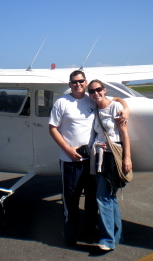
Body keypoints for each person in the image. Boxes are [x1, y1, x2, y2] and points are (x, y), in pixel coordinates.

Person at [49, 70, 129, 246]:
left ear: (85, 83)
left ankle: (89, 232)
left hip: (92, 161)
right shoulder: (61, 102)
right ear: (69, 84)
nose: (78, 84)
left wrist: (126, 109)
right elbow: (53, 128)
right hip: (70, 160)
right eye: (74, 82)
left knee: (92, 200)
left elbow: (114, 101)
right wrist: (67, 150)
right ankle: (70, 234)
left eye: (81, 81)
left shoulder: (91, 98)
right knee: (71, 200)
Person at [87, 79, 132, 252]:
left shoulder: (115, 107)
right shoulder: (96, 108)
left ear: (104, 90)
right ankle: (117, 235)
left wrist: (127, 158)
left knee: (102, 197)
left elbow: (124, 134)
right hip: (98, 157)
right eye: (92, 91)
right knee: (110, 197)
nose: (96, 93)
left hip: (111, 157)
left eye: (99, 89)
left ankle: (107, 240)